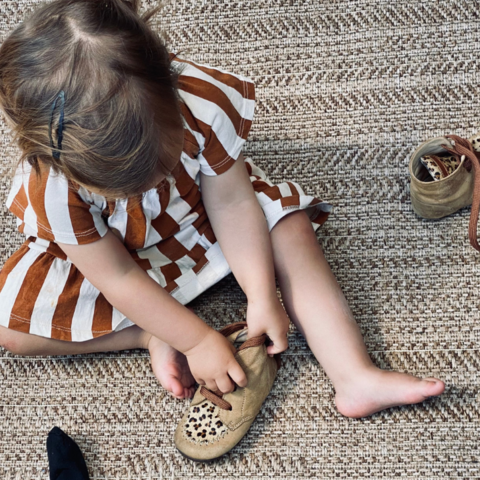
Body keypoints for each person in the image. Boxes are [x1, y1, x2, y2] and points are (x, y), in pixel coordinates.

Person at [0, 0, 445, 418]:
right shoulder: (52, 190)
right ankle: (148, 333)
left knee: (288, 225)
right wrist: (193, 340)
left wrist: (260, 293)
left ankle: (353, 374)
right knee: (10, 327)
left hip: (200, 213)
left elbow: (232, 200)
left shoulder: (201, 100)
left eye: (163, 162)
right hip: (113, 257)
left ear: (169, 82)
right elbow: (117, 277)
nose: (153, 184)